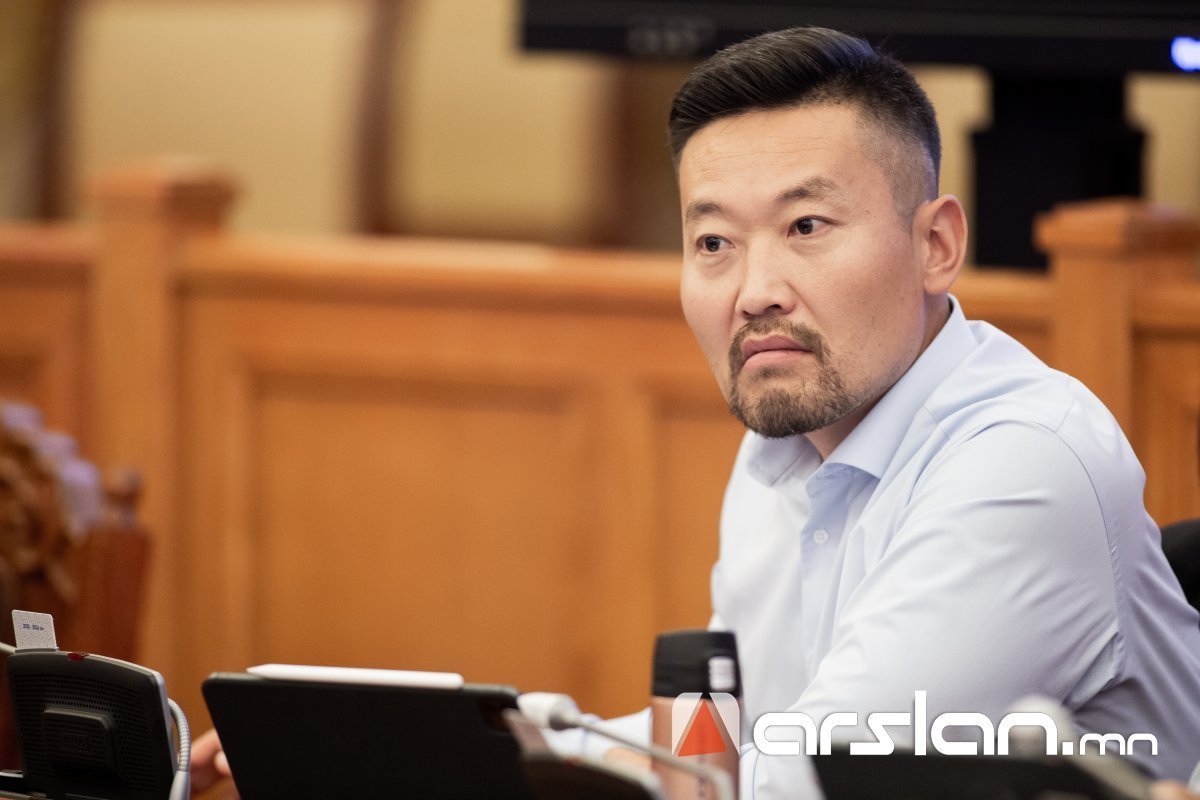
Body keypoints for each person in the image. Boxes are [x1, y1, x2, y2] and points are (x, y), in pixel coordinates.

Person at [192, 25, 1200, 799]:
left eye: (806, 225)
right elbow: (721, 740)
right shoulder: (781, 446)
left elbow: (806, 779)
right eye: (713, 243)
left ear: (935, 245)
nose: (753, 291)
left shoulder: (1023, 464)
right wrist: (428, 746)